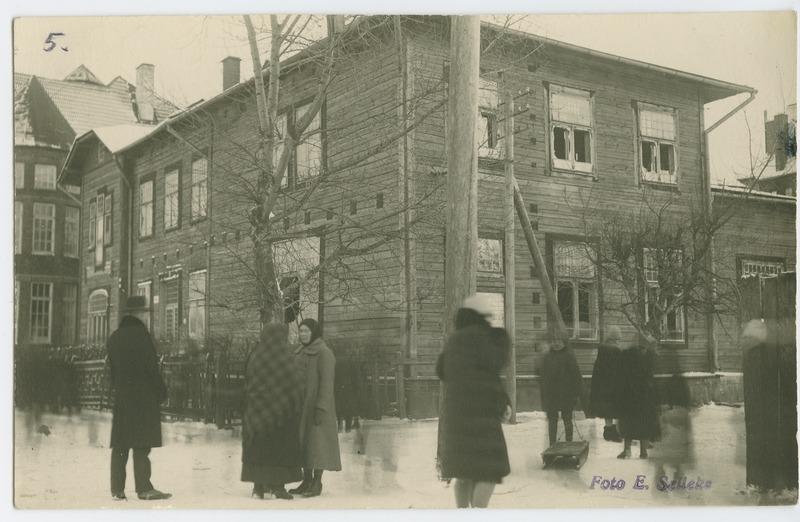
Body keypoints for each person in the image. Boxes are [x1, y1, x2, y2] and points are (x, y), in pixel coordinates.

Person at [436, 294, 511, 508]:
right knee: (489, 473)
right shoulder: (482, 338)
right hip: (482, 421)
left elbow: (441, 370)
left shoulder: (454, 340)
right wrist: (500, 337)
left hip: (456, 422)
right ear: (482, 317)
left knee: (464, 473)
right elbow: (491, 373)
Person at [106, 295, 171, 501]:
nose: (145, 314)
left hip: (123, 399)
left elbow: (113, 373)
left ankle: (117, 490)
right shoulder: (142, 335)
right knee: (142, 445)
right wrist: (162, 391)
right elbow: (151, 368)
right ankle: (144, 488)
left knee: (121, 445)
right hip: (143, 398)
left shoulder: (114, 338)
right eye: (143, 311)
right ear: (136, 313)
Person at [241, 323, 304, 500]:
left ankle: (258, 488)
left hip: (256, 410)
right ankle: (277, 486)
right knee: (279, 447)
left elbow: (247, 377)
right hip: (280, 412)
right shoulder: (284, 355)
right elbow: (297, 382)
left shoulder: (255, 354)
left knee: (258, 447)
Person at [289, 318, 341, 497]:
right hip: (301, 406)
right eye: (301, 331)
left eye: (306, 331)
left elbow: (327, 383)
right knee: (304, 443)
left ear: (314, 333)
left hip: (317, 407)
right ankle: (306, 480)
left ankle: (317, 482)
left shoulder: (324, 353)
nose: (303, 334)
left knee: (317, 444)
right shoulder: (299, 352)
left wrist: (321, 407)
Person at [616, 340, 661, 459]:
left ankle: (627, 450)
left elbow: (620, 374)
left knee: (628, 421)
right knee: (644, 422)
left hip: (629, 394)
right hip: (644, 394)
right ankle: (644, 452)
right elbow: (652, 375)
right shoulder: (649, 357)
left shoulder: (626, 355)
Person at [539, 339, 583, 446]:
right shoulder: (547, 358)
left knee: (567, 418)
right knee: (552, 420)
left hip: (567, 394)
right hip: (551, 394)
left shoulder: (569, 357)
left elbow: (577, 376)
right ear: (551, 343)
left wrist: (576, 393)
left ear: (564, 343)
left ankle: (569, 443)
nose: (557, 343)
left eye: (559, 341)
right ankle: (552, 444)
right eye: (555, 341)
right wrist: (544, 392)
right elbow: (543, 376)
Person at [590, 326, 624, 442]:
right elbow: (620, 368)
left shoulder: (603, 348)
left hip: (603, 383)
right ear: (615, 337)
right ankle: (616, 433)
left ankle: (609, 431)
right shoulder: (614, 350)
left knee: (607, 408)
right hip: (614, 383)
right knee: (617, 407)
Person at [332, 343, 363, 433]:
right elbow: (356, 376)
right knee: (348, 407)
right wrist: (357, 388)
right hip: (350, 388)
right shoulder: (351, 361)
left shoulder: (335, 361)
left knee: (339, 406)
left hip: (337, 387)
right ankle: (348, 427)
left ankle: (340, 425)